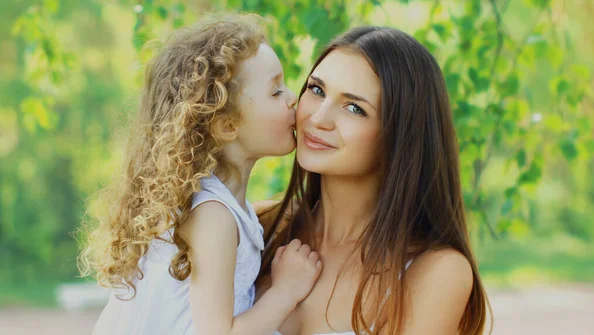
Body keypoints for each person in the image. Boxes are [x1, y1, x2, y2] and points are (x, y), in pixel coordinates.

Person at [79, 15, 322, 335]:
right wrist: (286, 291)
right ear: (228, 125)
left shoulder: (216, 207)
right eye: (275, 91)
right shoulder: (213, 217)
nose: (293, 97)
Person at [256, 26, 491, 335]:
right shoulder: (263, 226)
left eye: (354, 108)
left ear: (400, 137)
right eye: (316, 90)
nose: (318, 118)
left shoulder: (435, 271)